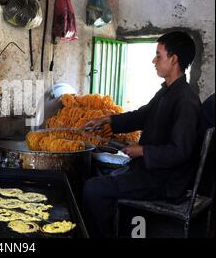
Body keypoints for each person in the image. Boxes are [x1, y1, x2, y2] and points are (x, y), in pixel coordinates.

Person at [82, 31, 202, 237]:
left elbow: (180, 151)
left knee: (93, 189)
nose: (154, 60)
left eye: (159, 55)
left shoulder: (186, 101)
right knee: (100, 175)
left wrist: (143, 151)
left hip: (165, 181)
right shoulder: (167, 91)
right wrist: (107, 119)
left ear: (174, 59)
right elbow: (141, 116)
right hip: (150, 171)